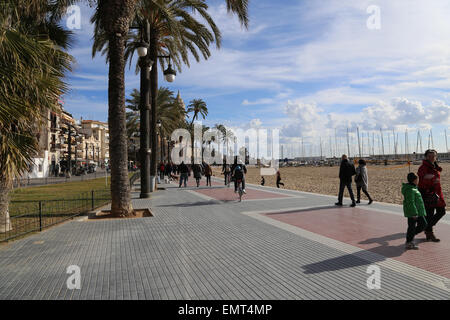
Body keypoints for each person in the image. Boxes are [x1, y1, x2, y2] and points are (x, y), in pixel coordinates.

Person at [417, 149, 446, 242]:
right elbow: (422, 179)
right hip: (428, 193)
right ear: (426, 157)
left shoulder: (435, 166)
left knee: (441, 211)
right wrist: (431, 181)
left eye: (433, 156)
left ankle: (427, 227)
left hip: (437, 193)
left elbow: (433, 178)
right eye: (429, 156)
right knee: (429, 214)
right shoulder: (423, 167)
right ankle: (429, 233)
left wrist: (433, 179)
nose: (432, 158)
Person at [402, 173, 428, 250]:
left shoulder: (414, 188)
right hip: (413, 212)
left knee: (422, 225)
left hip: (418, 211)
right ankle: (409, 242)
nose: (418, 180)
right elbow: (410, 202)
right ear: (414, 180)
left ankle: (410, 238)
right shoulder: (410, 189)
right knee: (413, 226)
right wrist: (414, 213)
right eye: (418, 179)